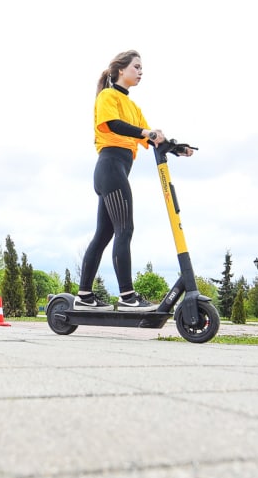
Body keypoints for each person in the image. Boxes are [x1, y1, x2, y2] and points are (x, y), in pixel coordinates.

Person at [75, 49, 192, 310]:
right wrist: (146, 132)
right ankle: (127, 296)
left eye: (141, 69)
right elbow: (113, 124)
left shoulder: (134, 107)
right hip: (110, 167)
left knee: (103, 234)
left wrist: (176, 148)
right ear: (120, 70)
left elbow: (149, 138)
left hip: (116, 171)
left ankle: (84, 296)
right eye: (136, 67)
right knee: (124, 230)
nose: (140, 72)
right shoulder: (108, 96)